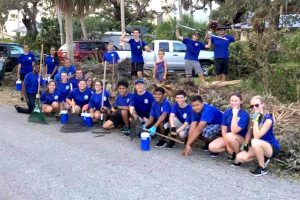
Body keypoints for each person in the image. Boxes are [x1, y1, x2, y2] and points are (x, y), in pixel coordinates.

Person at [236, 95, 281, 176]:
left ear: (263, 104)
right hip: (258, 145)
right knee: (239, 157)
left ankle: (262, 168)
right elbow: (249, 132)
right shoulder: (254, 118)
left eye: (256, 105)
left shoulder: (268, 119)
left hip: (271, 147)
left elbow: (257, 136)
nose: (254, 107)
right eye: (252, 106)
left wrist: (256, 119)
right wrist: (245, 144)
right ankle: (261, 157)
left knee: (255, 141)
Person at [208, 93, 250, 163]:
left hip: (239, 139)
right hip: (228, 137)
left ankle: (237, 155)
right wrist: (228, 146)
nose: (233, 103)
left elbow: (234, 131)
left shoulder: (244, 115)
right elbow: (224, 130)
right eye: (232, 101)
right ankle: (231, 151)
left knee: (230, 135)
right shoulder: (227, 112)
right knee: (212, 147)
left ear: (241, 101)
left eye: (236, 101)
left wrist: (235, 114)